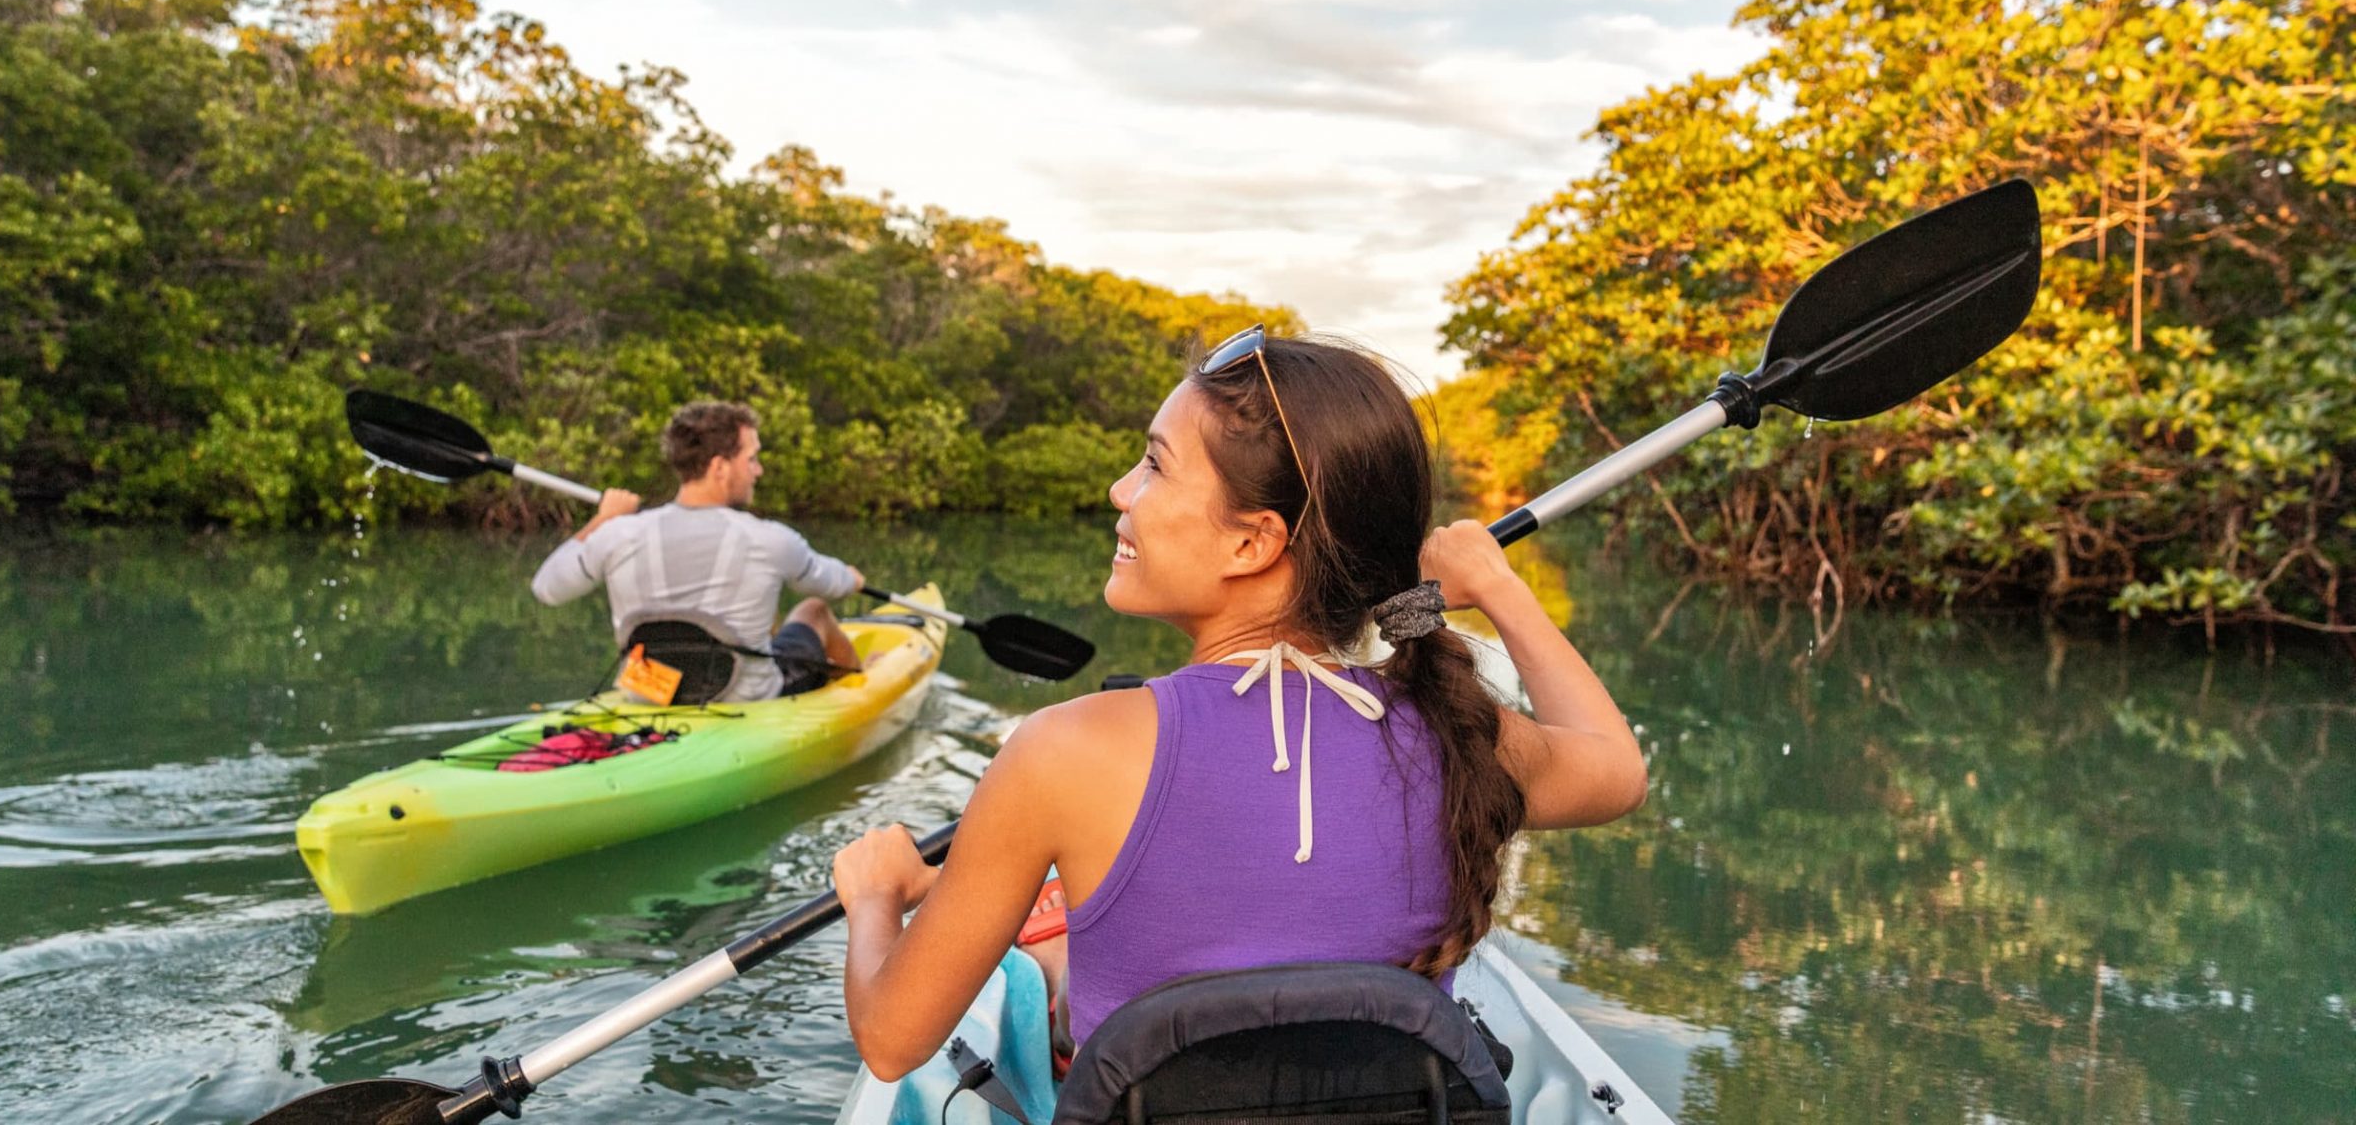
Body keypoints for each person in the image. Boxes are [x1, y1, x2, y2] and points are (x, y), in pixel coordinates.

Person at [830, 328, 1649, 1080]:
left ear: (1252, 541)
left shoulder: (1063, 752)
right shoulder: (1456, 732)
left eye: (1153, 465)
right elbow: (1616, 770)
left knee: (1049, 968)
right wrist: (1499, 588)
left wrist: (875, 896)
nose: (1121, 491)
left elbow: (894, 1041)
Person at [531, 400, 865, 703]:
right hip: (744, 699)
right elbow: (832, 584)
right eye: (751, 459)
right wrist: (852, 578)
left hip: (648, 696)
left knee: (768, 624)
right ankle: (863, 685)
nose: (758, 471)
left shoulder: (619, 532)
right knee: (814, 611)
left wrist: (602, 520)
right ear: (720, 467)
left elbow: (547, 588)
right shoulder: (770, 539)